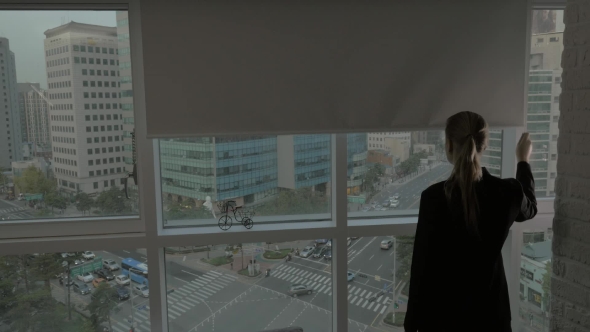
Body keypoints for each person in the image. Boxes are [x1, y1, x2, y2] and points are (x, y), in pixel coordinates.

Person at [404, 111, 537, 332]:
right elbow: (529, 208)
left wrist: (411, 325)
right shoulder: (508, 193)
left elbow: (421, 267)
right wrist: (523, 161)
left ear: (448, 145)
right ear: (484, 146)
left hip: (443, 319)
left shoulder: (433, 198)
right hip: (491, 318)